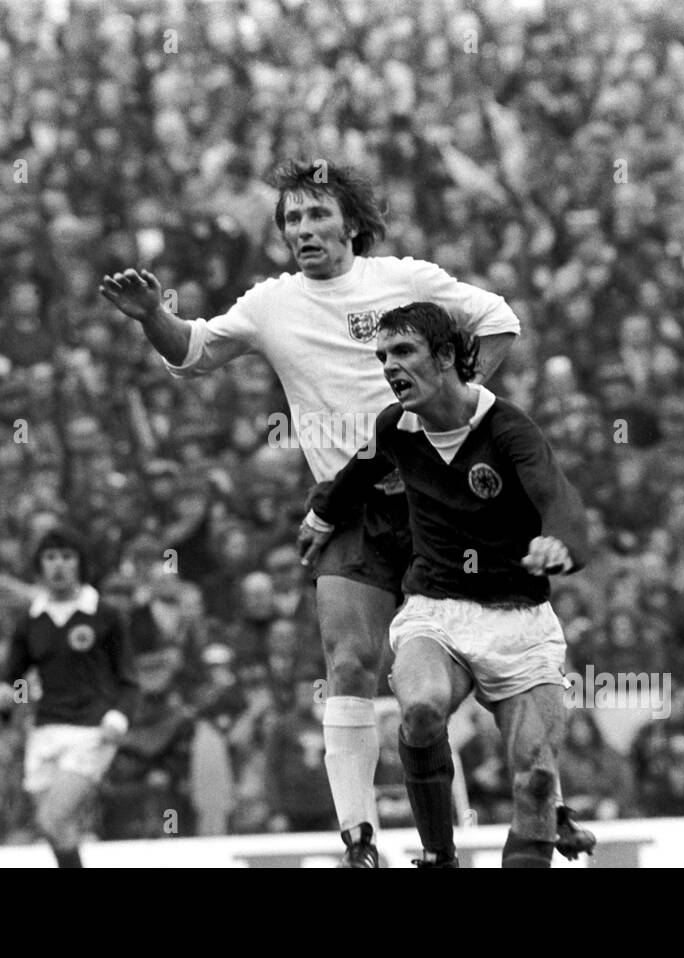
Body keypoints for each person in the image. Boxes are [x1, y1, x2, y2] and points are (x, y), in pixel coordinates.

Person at [101, 158, 595, 865]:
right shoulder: (271, 302)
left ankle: (545, 799)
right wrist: (153, 315)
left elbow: (499, 320)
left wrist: (448, 411)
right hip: (350, 508)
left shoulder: (405, 280)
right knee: (351, 660)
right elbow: (194, 352)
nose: (303, 229)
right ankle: (359, 838)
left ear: (353, 225)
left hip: (436, 506)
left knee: (491, 649)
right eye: (292, 219)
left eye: (317, 214)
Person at [298, 302, 591, 868]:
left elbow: (559, 498)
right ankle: (439, 856)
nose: (389, 366)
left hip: (521, 622)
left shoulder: (508, 429)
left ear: (449, 355)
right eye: (383, 355)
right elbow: (357, 475)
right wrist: (322, 516)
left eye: (403, 352)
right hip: (438, 609)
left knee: (534, 781)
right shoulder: (396, 426)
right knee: (422, 708)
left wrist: (561, 543)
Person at [4, 526, 138, 867]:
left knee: (52, 818)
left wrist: (119, 716)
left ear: (80, 564)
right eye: (50, 558)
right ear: (39, 566)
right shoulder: (29, 622)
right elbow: (15, 679)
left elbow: (129, 680)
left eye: (67, 557)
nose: (58, 566)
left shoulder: (104, 615)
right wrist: (9, 696)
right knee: (58, 831)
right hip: (45, 729)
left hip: (91, 729)